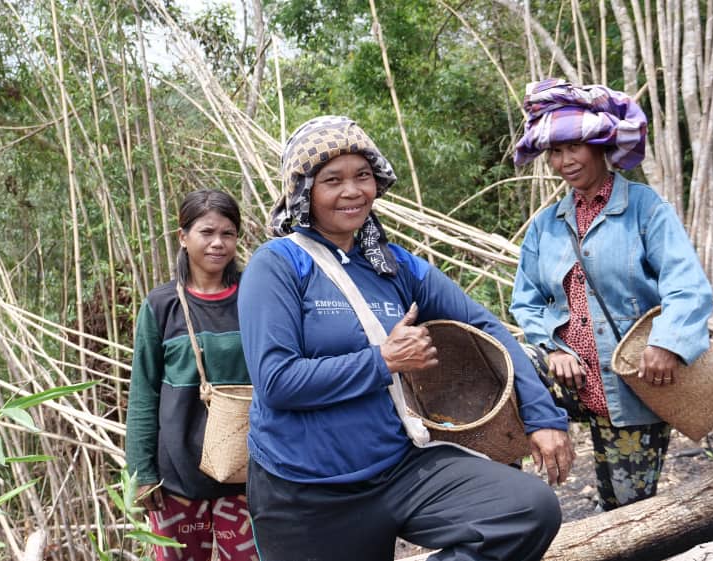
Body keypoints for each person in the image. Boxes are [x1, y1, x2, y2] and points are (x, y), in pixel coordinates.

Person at [237, 115, 573, 561]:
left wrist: (542, 415)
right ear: (304, 192)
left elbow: (486, 327)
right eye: (332, 180)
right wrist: (383, 361)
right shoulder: (277, 265)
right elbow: (276, 382)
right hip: (306, 493)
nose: (352, 191)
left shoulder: (394, 265)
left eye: (363, 176)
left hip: (398, 469)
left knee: (528, 509)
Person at [510, 79, 713, 511]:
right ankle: (505, 505)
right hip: (569, 378)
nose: (564, 161)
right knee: (503, 373)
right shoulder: (547, 224)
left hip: (634, 380)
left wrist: (667, 343)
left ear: (600, 145)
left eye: (574, 148)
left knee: (627, 507)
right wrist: (552, 347)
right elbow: (525, 301)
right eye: (555, 152)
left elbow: (687, 286)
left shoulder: (644, 208)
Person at [125, 189, 259, 561]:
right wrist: (142, 472)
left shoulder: (255, 295)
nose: (218, 243)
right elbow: (143, 392)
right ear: (183, 238)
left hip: (246, 474)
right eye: (207, 232)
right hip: (177, 478)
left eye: (228, 234)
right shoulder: (161, 305)